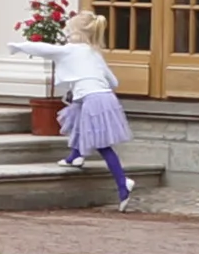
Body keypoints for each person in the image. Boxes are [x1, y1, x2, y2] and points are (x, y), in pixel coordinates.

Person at [47, 15, 137, 207]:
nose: (67, 35)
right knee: (75, 114)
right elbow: (114, 82)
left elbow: (46, 50)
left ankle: (122, 183)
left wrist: (17, 46)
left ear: (78, 34)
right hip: (96, 97)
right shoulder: (94, 54)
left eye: (69, 32)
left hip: (95, 100)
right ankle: (76, 155)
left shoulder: (75, 51)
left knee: (102, 144)